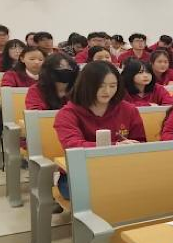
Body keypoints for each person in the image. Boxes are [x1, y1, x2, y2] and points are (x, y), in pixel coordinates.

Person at [53, 61, 146, 199]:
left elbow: (141, 142)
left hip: (122, 171)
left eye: (112, 86)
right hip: (80, 175)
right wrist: (116, 146)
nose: (107, 91)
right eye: (101, 86)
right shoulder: (67, 114)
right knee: (108, 196)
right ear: (86, 85)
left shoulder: (128, 110)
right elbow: (73, 145)